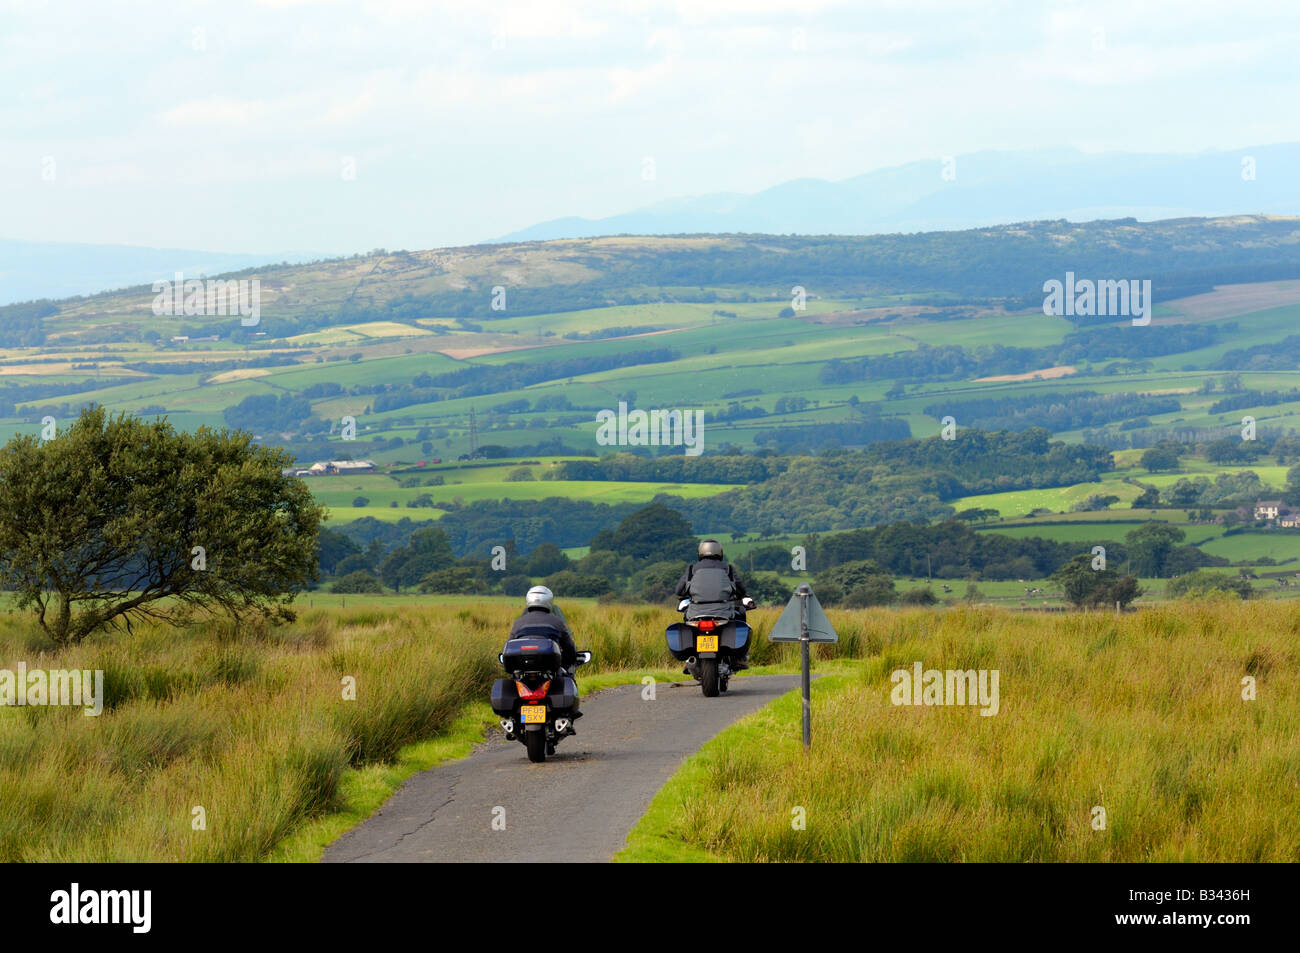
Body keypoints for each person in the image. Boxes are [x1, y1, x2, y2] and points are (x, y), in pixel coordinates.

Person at [675, 539, 755, 623]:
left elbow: (679, 591)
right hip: (724, 613)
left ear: (700, 552)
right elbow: (741, 591)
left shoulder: (692, 569)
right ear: (720, 552)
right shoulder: (728, 569)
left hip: (694, 614)